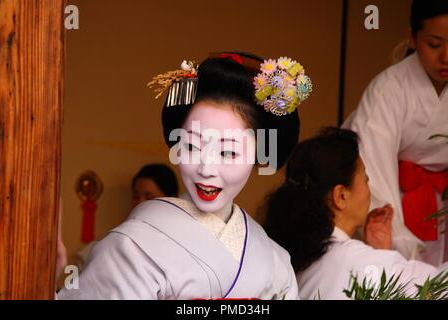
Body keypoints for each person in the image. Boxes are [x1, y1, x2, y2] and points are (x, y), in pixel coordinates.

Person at [58, 52, 312, 299]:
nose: (206, 169)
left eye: (228, 152)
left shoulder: (274, 262)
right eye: (192, 146)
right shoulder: (132, 246)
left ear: (260, 155)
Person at [263, 127, 448, 300]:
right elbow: (439, 288)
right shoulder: (358, 262)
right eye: (366, 180)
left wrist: (381, 252)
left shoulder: (290, 254)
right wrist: (379, 257)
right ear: (341, 196)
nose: (369, 190)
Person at [342, 0, 448, 265]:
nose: (446, 57)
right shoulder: (389, 89)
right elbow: (373, 170)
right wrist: (398, 244)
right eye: (434, 44)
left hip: (441, 203)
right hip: (397, 196)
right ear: (412, 37)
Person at [74, 163, 179, 271]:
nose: (139, 203)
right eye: (136, 197)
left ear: (171, 200)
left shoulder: (179, 244)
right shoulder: (115, 240)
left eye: (149, 197)